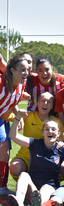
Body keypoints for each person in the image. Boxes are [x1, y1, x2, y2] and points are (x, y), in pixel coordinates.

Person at [7, 110, 64, 206]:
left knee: (46, 187)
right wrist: (17, 118)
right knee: (24, 175)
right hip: (32, 190)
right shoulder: (35, 143)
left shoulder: (62, 149)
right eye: (47, 129)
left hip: (49, 188)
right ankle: (19, 202)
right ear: (42, 133)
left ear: (58, 133)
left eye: (53, 129)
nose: (50, 131)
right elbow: (13, 136)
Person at [9, 92, 64, 182]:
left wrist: (61, 143)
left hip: (49, 156)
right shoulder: (28, 116)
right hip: (27, 155)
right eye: (43, 100)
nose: (45, 104)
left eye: (49, 102)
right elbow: (9, 103)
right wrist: (19, 99)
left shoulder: (56, 121)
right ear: (37, 103)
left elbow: (62, 141)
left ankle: (51, 181)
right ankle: (26, 184)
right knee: (15, 168)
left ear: (52, 106)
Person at [0, 54, 29, 195]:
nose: (26, 73)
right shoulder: (1, 83)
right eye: (22, 70)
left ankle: (3, 187)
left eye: (27, 69)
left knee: (5, 153)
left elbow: (13, 102)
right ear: (12, 70)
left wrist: (19, 116)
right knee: (3, 151)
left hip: (2, 119)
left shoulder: (21, 85)